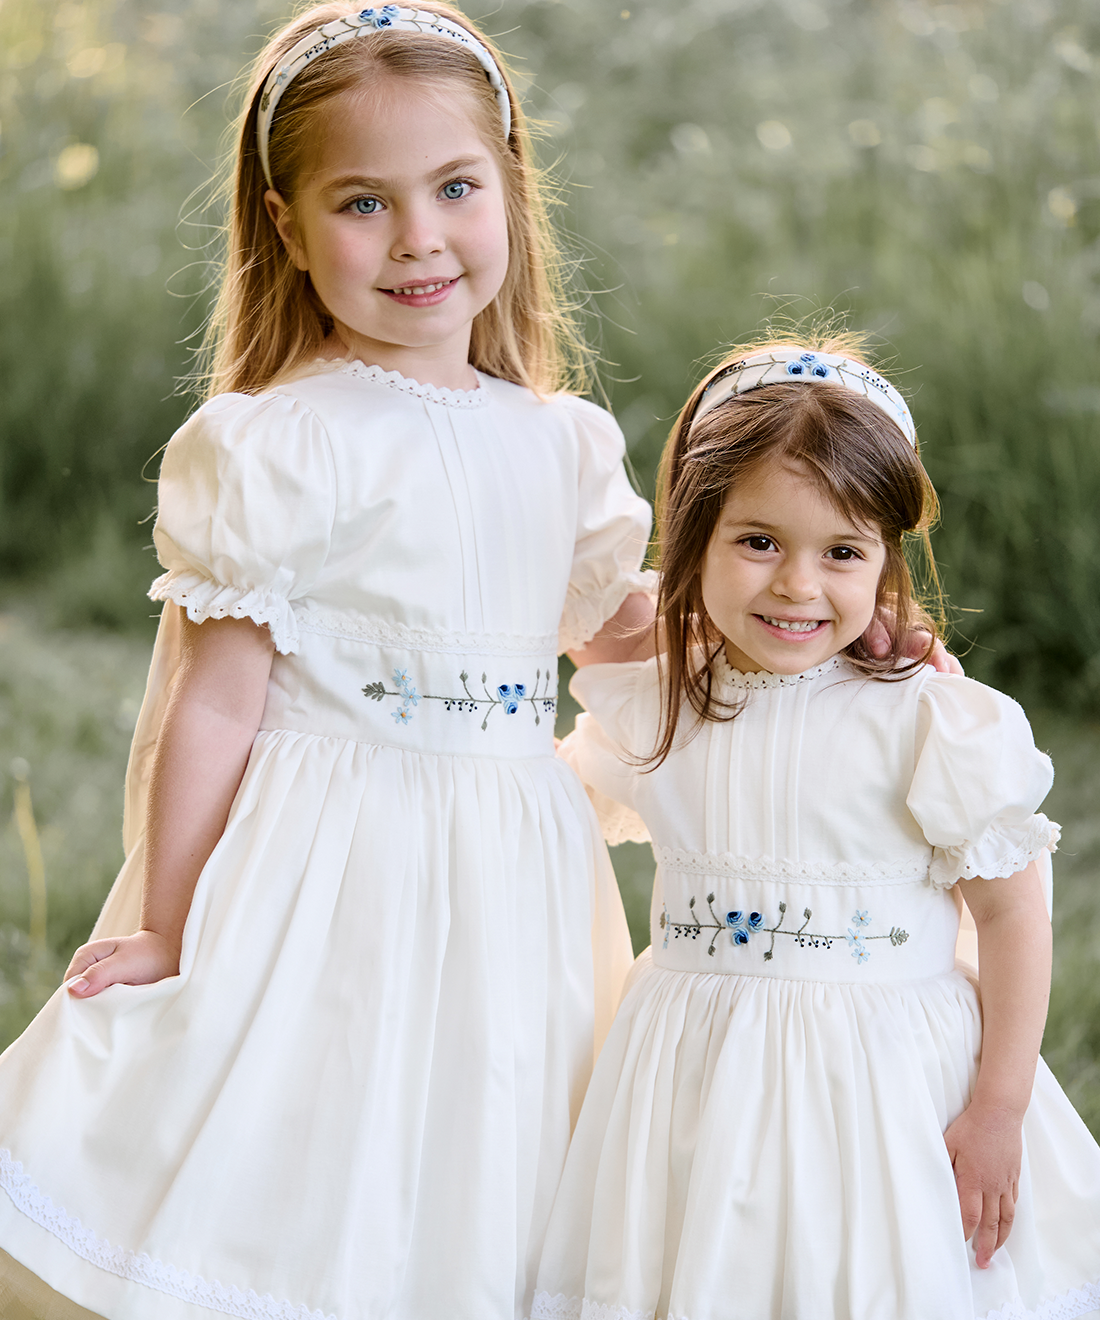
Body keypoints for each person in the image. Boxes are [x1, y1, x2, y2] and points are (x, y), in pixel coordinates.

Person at [0, 6, 655, 1318]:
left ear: (508, 190)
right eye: (363, 201)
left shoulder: (562, 444)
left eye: (455, 188)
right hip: (330, 863)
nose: (418, 236)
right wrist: (167, 922)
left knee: (479, 1139)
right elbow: (211, 704)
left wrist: (742, 623)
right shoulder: (281, 445)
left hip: (512, 871)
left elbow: (586, 631)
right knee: (310, 1134)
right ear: (288, 229)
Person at [530, 340, 1100, 1320]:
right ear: (695, 538)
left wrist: (998, 1107)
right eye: (758, 542)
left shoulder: (925, 718)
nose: (798, 585)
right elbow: (555, 793)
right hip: (691, 1076)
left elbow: (1011, 915)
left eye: (841, 552)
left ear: (884, 559)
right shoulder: (659, 705)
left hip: (880, 1085)